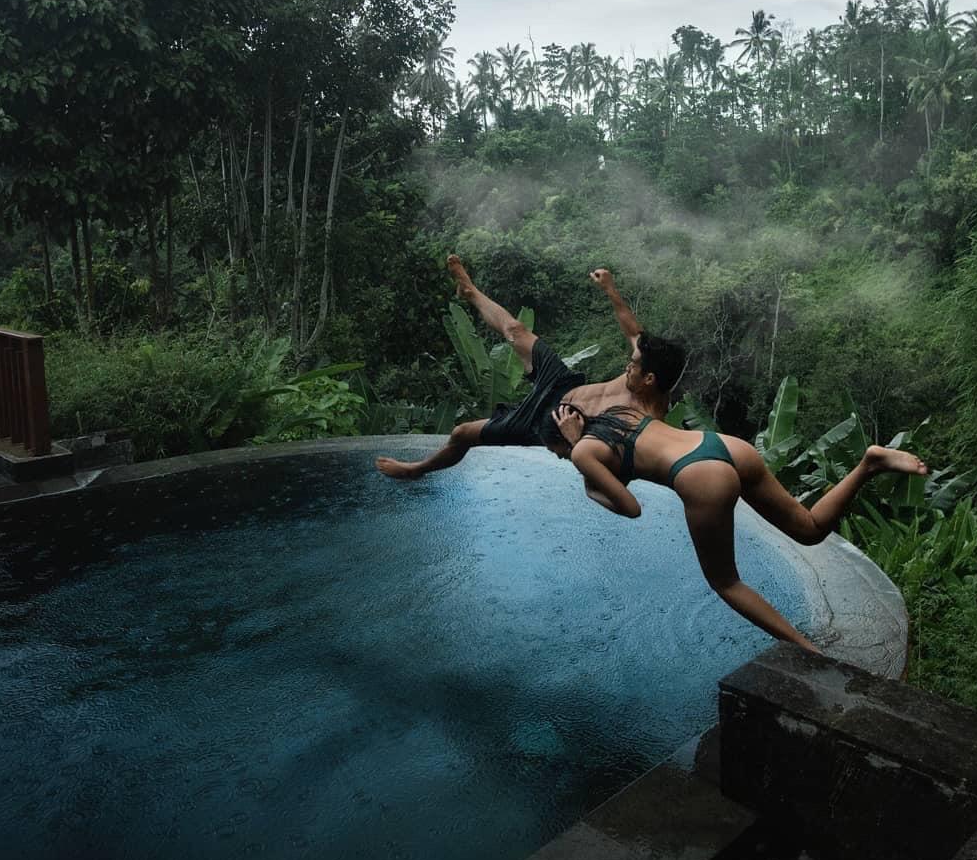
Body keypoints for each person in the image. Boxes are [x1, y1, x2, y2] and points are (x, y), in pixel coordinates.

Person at [546, 401, 929, 654]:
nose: (564, 459)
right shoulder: (619, 414)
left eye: (557, 453)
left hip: (700, 477)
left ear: (562, 438)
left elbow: (630, 508)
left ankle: (808, 652)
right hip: (725, 447)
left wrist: (586, 477)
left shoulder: (582, 451)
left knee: (726, 583)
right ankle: (869, 463)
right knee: (809, 529)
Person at [374, 256, 686, 480]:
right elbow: (634, 332)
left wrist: (575, 442)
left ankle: (415, 470)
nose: (627, 365)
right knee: (516, 330)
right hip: (562, 384)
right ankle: (471, 291)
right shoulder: (648, 360)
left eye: (632, 367)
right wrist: (610, 289)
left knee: (462, 432)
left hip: (544, 423)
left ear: (649, 379)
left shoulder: (647, 424)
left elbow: (614, 473)